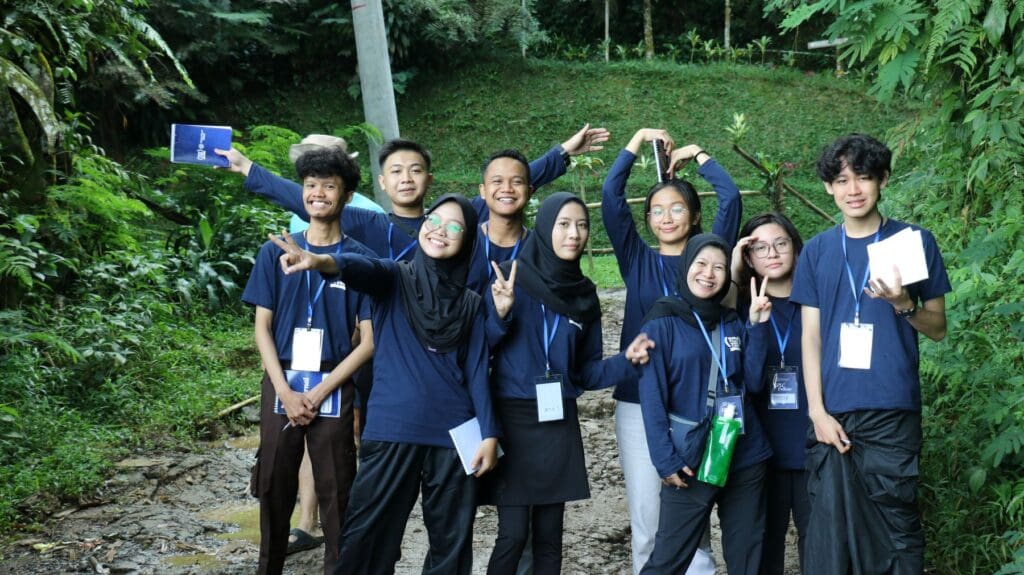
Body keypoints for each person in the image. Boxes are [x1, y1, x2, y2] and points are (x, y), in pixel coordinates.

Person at [269, 194, 499, 575]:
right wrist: (321, 261)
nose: (440, 230)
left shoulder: (471, 304)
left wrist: (489, 433)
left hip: (454, 436)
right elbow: (360, 268)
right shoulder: (395, 277)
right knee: (367, 538)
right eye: (434, 221)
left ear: (468, 239)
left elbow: (476, 371)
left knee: (452, 544)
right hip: (393, 431)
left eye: (454, 226)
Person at [791, 134, 950, 574]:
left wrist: (904, 305)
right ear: (828, 186)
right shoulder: (819, 250)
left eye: (863, 177)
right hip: (834, 414)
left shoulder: (912, 242)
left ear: (882, 179)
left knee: (896, 526)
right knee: (830, 533)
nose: (853, 189)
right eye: (842, 180)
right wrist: (817, 412)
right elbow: (811, 336)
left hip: (891, 410)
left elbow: (937, 328)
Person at [483, 192, 655, 574]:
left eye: (581, 225)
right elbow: (482, 349)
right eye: (563, 224)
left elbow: (587, 372)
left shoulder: (584, 293)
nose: (573, 234)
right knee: (512, 535)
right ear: (545, 227)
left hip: (557, 420)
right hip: (511, 420)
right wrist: (500, 314)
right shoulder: (509, 278)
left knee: (549, 538)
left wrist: (626, 362)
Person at [601, 128, 742, 575]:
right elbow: (610, 194)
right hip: (639, 403)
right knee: (647, 516)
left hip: (697, 403)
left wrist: (698, 152)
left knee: (692, 515)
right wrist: (638, 140)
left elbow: (732, 197)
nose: (666, 217)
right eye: (656, 211)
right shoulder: (637, 259)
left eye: (677, 207)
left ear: (695, 215)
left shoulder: (706, 261)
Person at [241, 148, 376, 574]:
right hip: (281, 380)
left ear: (347, 195)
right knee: (274, 484)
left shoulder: (359, 261)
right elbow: (262, 327)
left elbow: (369, 341)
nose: (318, 194)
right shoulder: (274, 251)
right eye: (311, 185)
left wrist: (319, 390)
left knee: (338, 488)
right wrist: (284, 390)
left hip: (331, 384)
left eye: (329, 186)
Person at [218, 126, 609, 264]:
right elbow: (305, 198)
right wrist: (246, 168)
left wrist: (562, 154)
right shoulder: (367, 223)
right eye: (396, 172)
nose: (406, 179)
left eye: (415, 170)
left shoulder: (455, 219)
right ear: (382, 183)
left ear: (429, 178)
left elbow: (505, 190)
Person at [637, 233, 773, 574]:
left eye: (718, 267)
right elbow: (651, 395)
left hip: (744, 451)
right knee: (668, 559)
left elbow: (754, 383)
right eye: (701, 264)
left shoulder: (731, 321)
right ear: (686, 267)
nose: (708, 274)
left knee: (748, 555)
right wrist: (664, 460)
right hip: (690, 459)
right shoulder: (661, 321)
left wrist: (756, 327)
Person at [726, 213, 808, 574]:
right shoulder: (740, 309)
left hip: (813, 445)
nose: (772, 253)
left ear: (795, 247)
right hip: (764, 451)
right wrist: (755, 324)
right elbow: (752, 382)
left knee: (821, 545)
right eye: (760, 247)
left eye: (781, 243)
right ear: (748, 257)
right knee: (765, 550)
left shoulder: (817, 302)